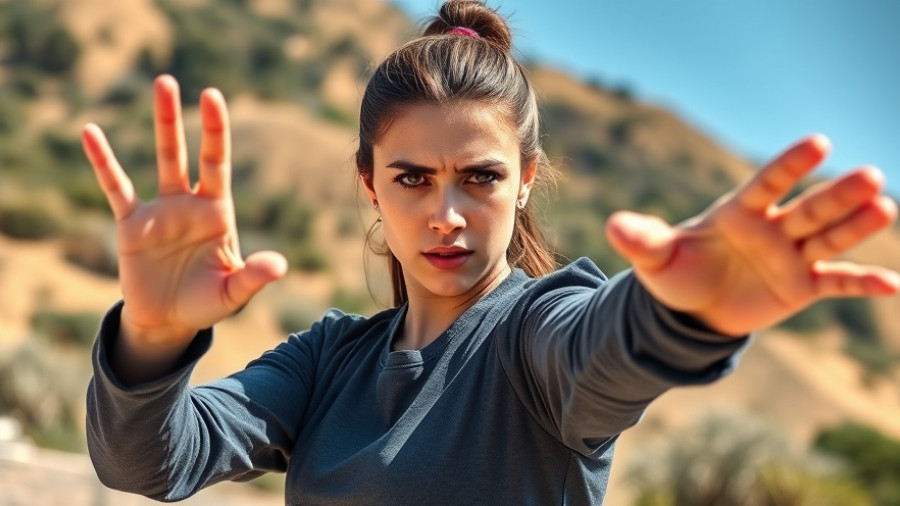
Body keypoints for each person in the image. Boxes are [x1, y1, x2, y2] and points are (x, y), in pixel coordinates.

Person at [82, 1, 898, 504]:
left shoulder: (537, 333)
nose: (446, 214)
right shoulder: (326, 359)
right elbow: (151, 461)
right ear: (369, 183)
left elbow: (602, 349)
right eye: (412, 178)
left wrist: (679, 314)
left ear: (525, 181)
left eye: (479, 177)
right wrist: (150, 336)